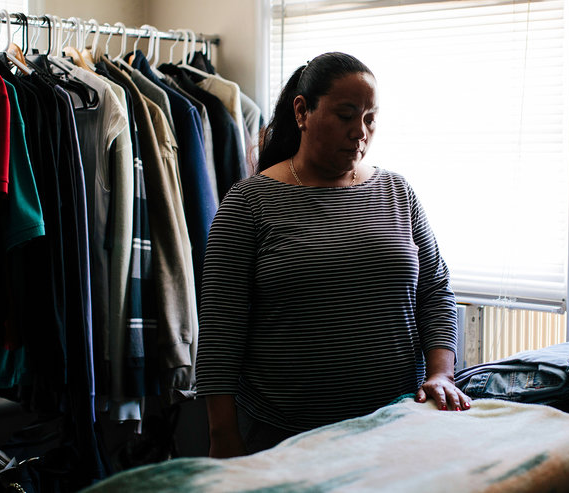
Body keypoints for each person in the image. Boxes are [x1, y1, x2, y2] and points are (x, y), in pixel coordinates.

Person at [195, 52, 471, 459]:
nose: (360, 131)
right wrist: (223, 435)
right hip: (284, 436)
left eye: (370, 117)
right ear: (303, 111)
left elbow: (436, 290)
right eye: (346, 115)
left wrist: (441, 374)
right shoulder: (249, 203)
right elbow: (220, 330)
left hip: (396, 424)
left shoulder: (397, 193)